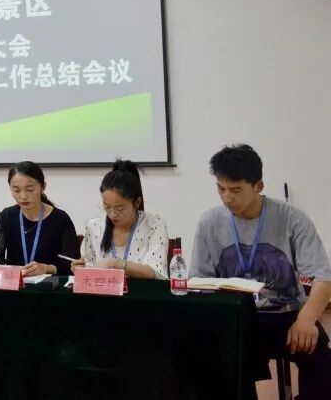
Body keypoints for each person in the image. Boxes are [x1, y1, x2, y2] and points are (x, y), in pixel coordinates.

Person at [191, 144, 331, 398]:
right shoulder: (209, 222)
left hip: (286, 314)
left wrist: (307, 319)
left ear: (258, 186)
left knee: (322, 364)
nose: (227, 198)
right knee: (215, 361)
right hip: (236, 316)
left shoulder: (291, 219)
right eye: (221, 189)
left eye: (235, 190)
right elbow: (199, 282)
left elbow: (324, 276)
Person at [71, 159, 169, 279]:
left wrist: (115, 264)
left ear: (137, 202)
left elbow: (156, 272)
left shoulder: (154, 225)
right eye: (106, 207)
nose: (112, 214)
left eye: (120, 209)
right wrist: (81, 269)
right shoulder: (94, 226)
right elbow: (89, 266)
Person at [0, 161, 79, 276]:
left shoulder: (60, 219)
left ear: (43, 187)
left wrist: (47, 268)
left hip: (49, 285)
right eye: (16, 190)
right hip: (15, 283)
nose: (23, 196)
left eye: (30, 189)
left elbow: (72, 265)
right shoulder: (7, 216)